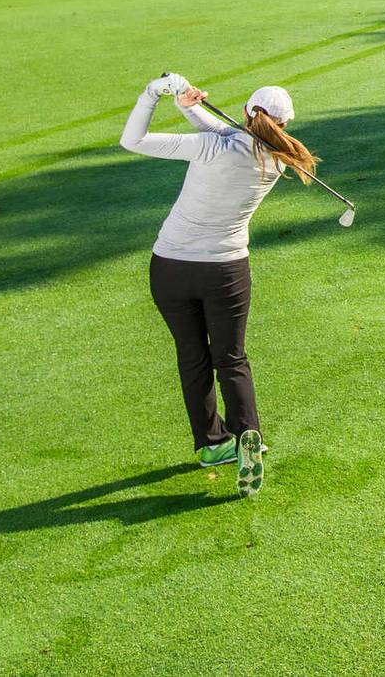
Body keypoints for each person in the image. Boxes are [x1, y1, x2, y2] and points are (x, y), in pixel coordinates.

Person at [119, 73, 320, 497]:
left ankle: (212, 445)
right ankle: (249, 435)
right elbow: (229, 134)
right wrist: (189, 106)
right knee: (230, 358)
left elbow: (132, 140)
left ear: (249, 112)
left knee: (192, 357)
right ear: (283, 125)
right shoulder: (279, 159)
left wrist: (154, 94)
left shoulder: (215, 146)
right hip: (226, 272)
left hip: (170, 267)